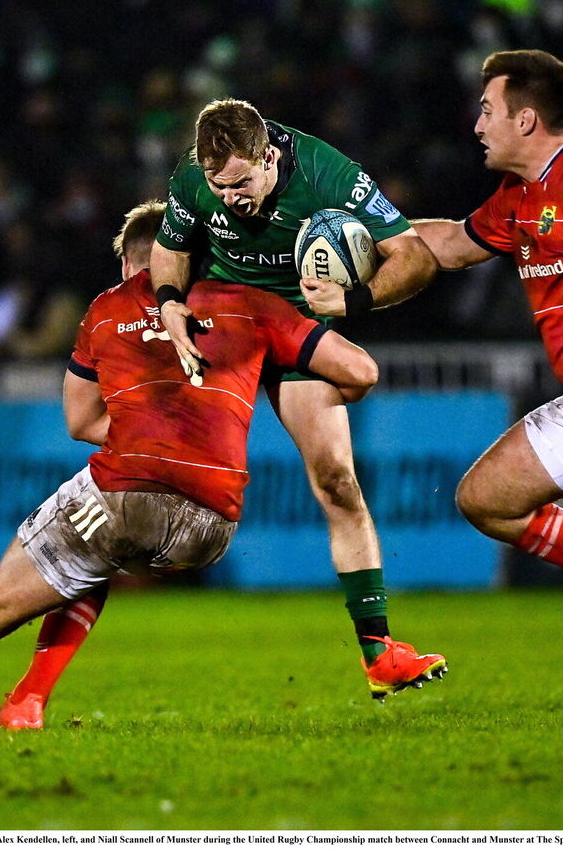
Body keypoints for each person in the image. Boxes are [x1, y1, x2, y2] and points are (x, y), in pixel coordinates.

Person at [0, 200, 440, 733]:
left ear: (134, 260)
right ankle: (26, 700)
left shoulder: (109, 308)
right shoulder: (253, 305)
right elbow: (362, 371)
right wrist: (270, 388)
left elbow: (81, 422)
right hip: (213, 522)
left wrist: (146, 414)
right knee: (90, 555)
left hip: (125, 494)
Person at [305, 50, 563, 720]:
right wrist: (370, 231)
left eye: (487, 110)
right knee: (485, 500)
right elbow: (447, 245)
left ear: (526, 119)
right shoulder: (519, 198)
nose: (477, 124)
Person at [152, 99, 445, 698]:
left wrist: (356, 303)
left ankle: (379, 652)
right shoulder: (194, 173)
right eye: (217, 186)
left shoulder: (327, 174)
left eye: (240, 183)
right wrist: (167, 300)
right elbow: (171, 246)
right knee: (149, 466)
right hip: (223, 325)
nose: (229, 196)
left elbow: (414, 256)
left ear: (269, 156)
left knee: (336, 478)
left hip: (295, 328)